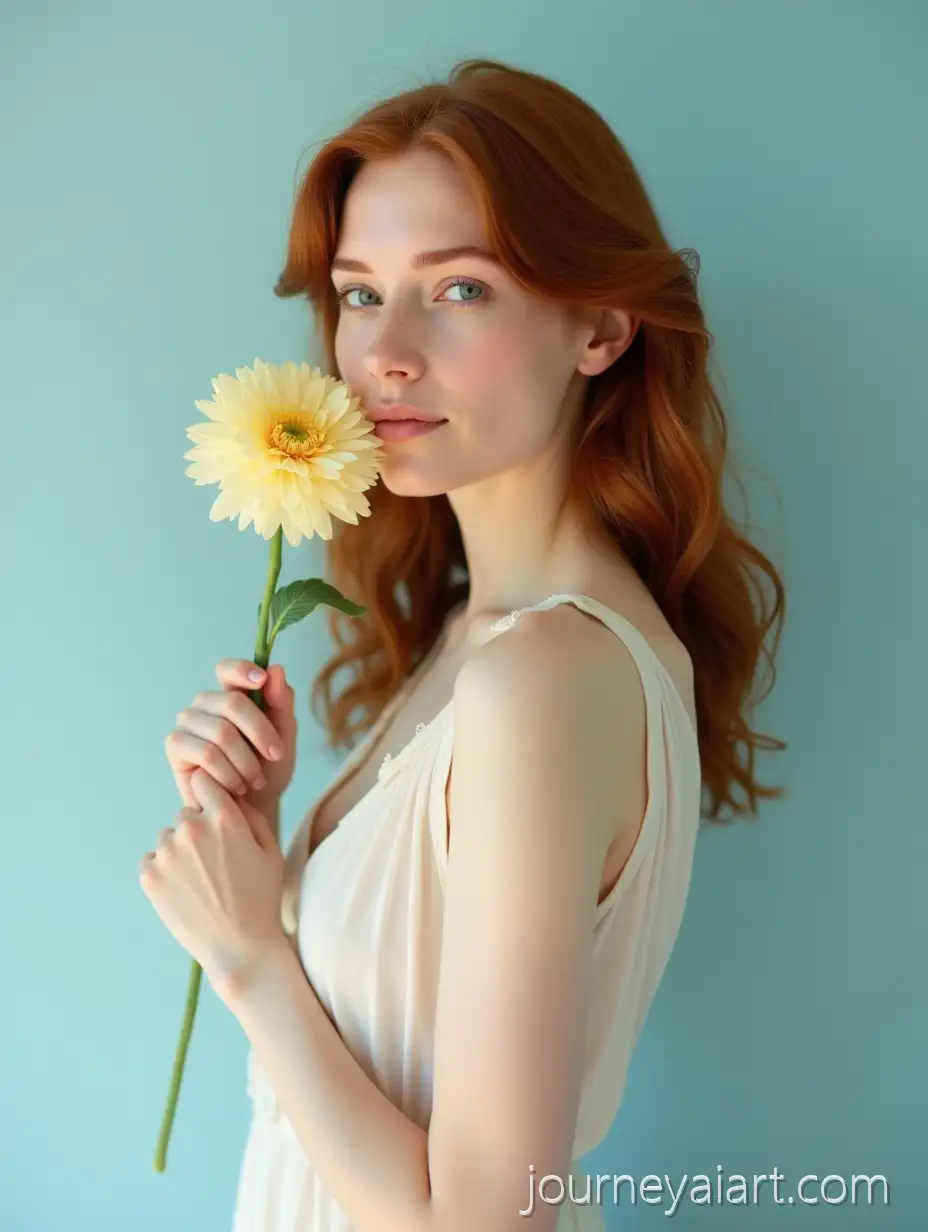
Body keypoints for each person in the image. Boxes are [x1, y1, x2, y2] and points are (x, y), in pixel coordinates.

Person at [166, 58, 786, 1231]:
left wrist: (249, 958)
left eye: (457, 291)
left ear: (600, 325)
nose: (385, 352)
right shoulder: (475, 635)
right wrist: (276, 843)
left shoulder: (543, 676)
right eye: (358, 293)